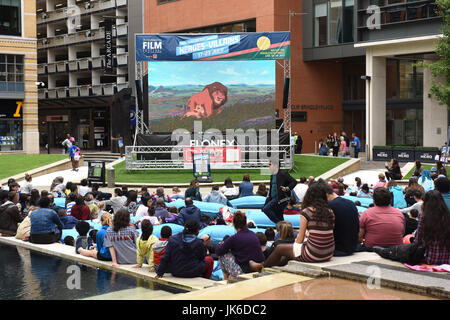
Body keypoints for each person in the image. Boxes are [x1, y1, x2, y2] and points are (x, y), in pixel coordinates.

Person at [249, 182, 335, 271]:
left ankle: (261, 267)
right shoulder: (330, 212)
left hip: (314, 254)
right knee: (289, 252)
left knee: (280, 248)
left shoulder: (307, 212)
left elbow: (300, 239)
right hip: (329, 253)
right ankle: (269, 266)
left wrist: (295, 244)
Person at [216, 211, 265, 279]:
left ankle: (225, 277)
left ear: (234, 224)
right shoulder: (253, 234)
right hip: (256, 264)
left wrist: (220, 244)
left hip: (244, 269)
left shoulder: (235, 238)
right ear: (245, 223)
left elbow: (219, 251)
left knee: (223, 255)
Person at [322, 183, 360, 256]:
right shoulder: (351, 203)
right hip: (352, 247)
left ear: (326, 194)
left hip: (337, 248)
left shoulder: (330, 207)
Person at [414, 190, 450, 265]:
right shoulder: (447, 216)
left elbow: (418, 240)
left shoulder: (424, 218)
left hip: (431, 259)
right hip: (447, 260)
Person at [262, 157, 297, 224]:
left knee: (266, 209)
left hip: (281, 199)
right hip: (273, 199)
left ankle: (280, 225)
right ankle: (283, 230)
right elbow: (272, 187)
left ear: (275, 165)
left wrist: (287, 188)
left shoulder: (283, 173)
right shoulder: (272, 175)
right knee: (279, 216)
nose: (268, 166)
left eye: (270, 164)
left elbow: (294, 182)